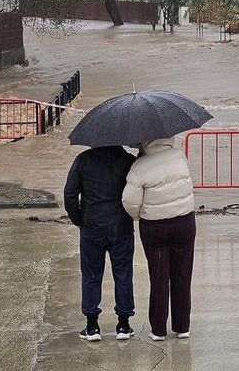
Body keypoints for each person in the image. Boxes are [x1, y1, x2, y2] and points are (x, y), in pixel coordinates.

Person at [122, 137, 196, 341]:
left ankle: (158, 329)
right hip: (184, 222)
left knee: (158, 277)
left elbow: (129, 201)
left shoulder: (139, 166)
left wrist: (140, 216)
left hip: (154, 227)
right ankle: (182, 327)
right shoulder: (180, 156)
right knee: (183, 275)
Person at [64, 145, 137, 342]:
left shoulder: (83, 160)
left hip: (92, 226)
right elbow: (136, 194)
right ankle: (123, 324)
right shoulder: (128, 161)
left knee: (91, 275)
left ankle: (92, 326)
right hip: (121, 226)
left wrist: (80, 219)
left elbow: (70, 196)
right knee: (123, 273)